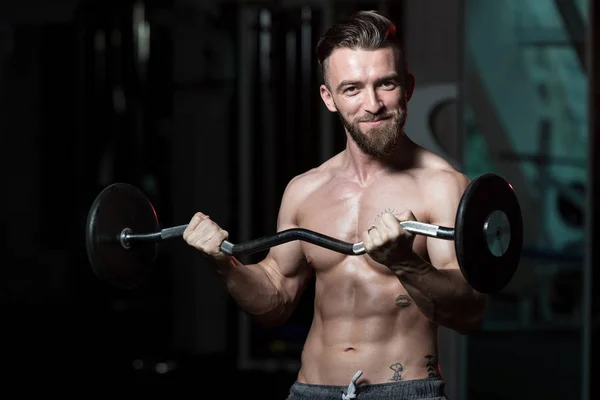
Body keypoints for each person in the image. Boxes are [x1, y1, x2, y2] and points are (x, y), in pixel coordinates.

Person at [183, 10, 486, 400]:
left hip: (404, 390)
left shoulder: (442, 187)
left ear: (407, 87)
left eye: (386, 84)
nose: (372, 104)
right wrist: (224, 264)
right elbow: (275, 298)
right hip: (311, 390)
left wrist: (404, 262)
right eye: (352, 89)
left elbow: (469, 314)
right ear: (329, 98)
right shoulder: (305, 190)